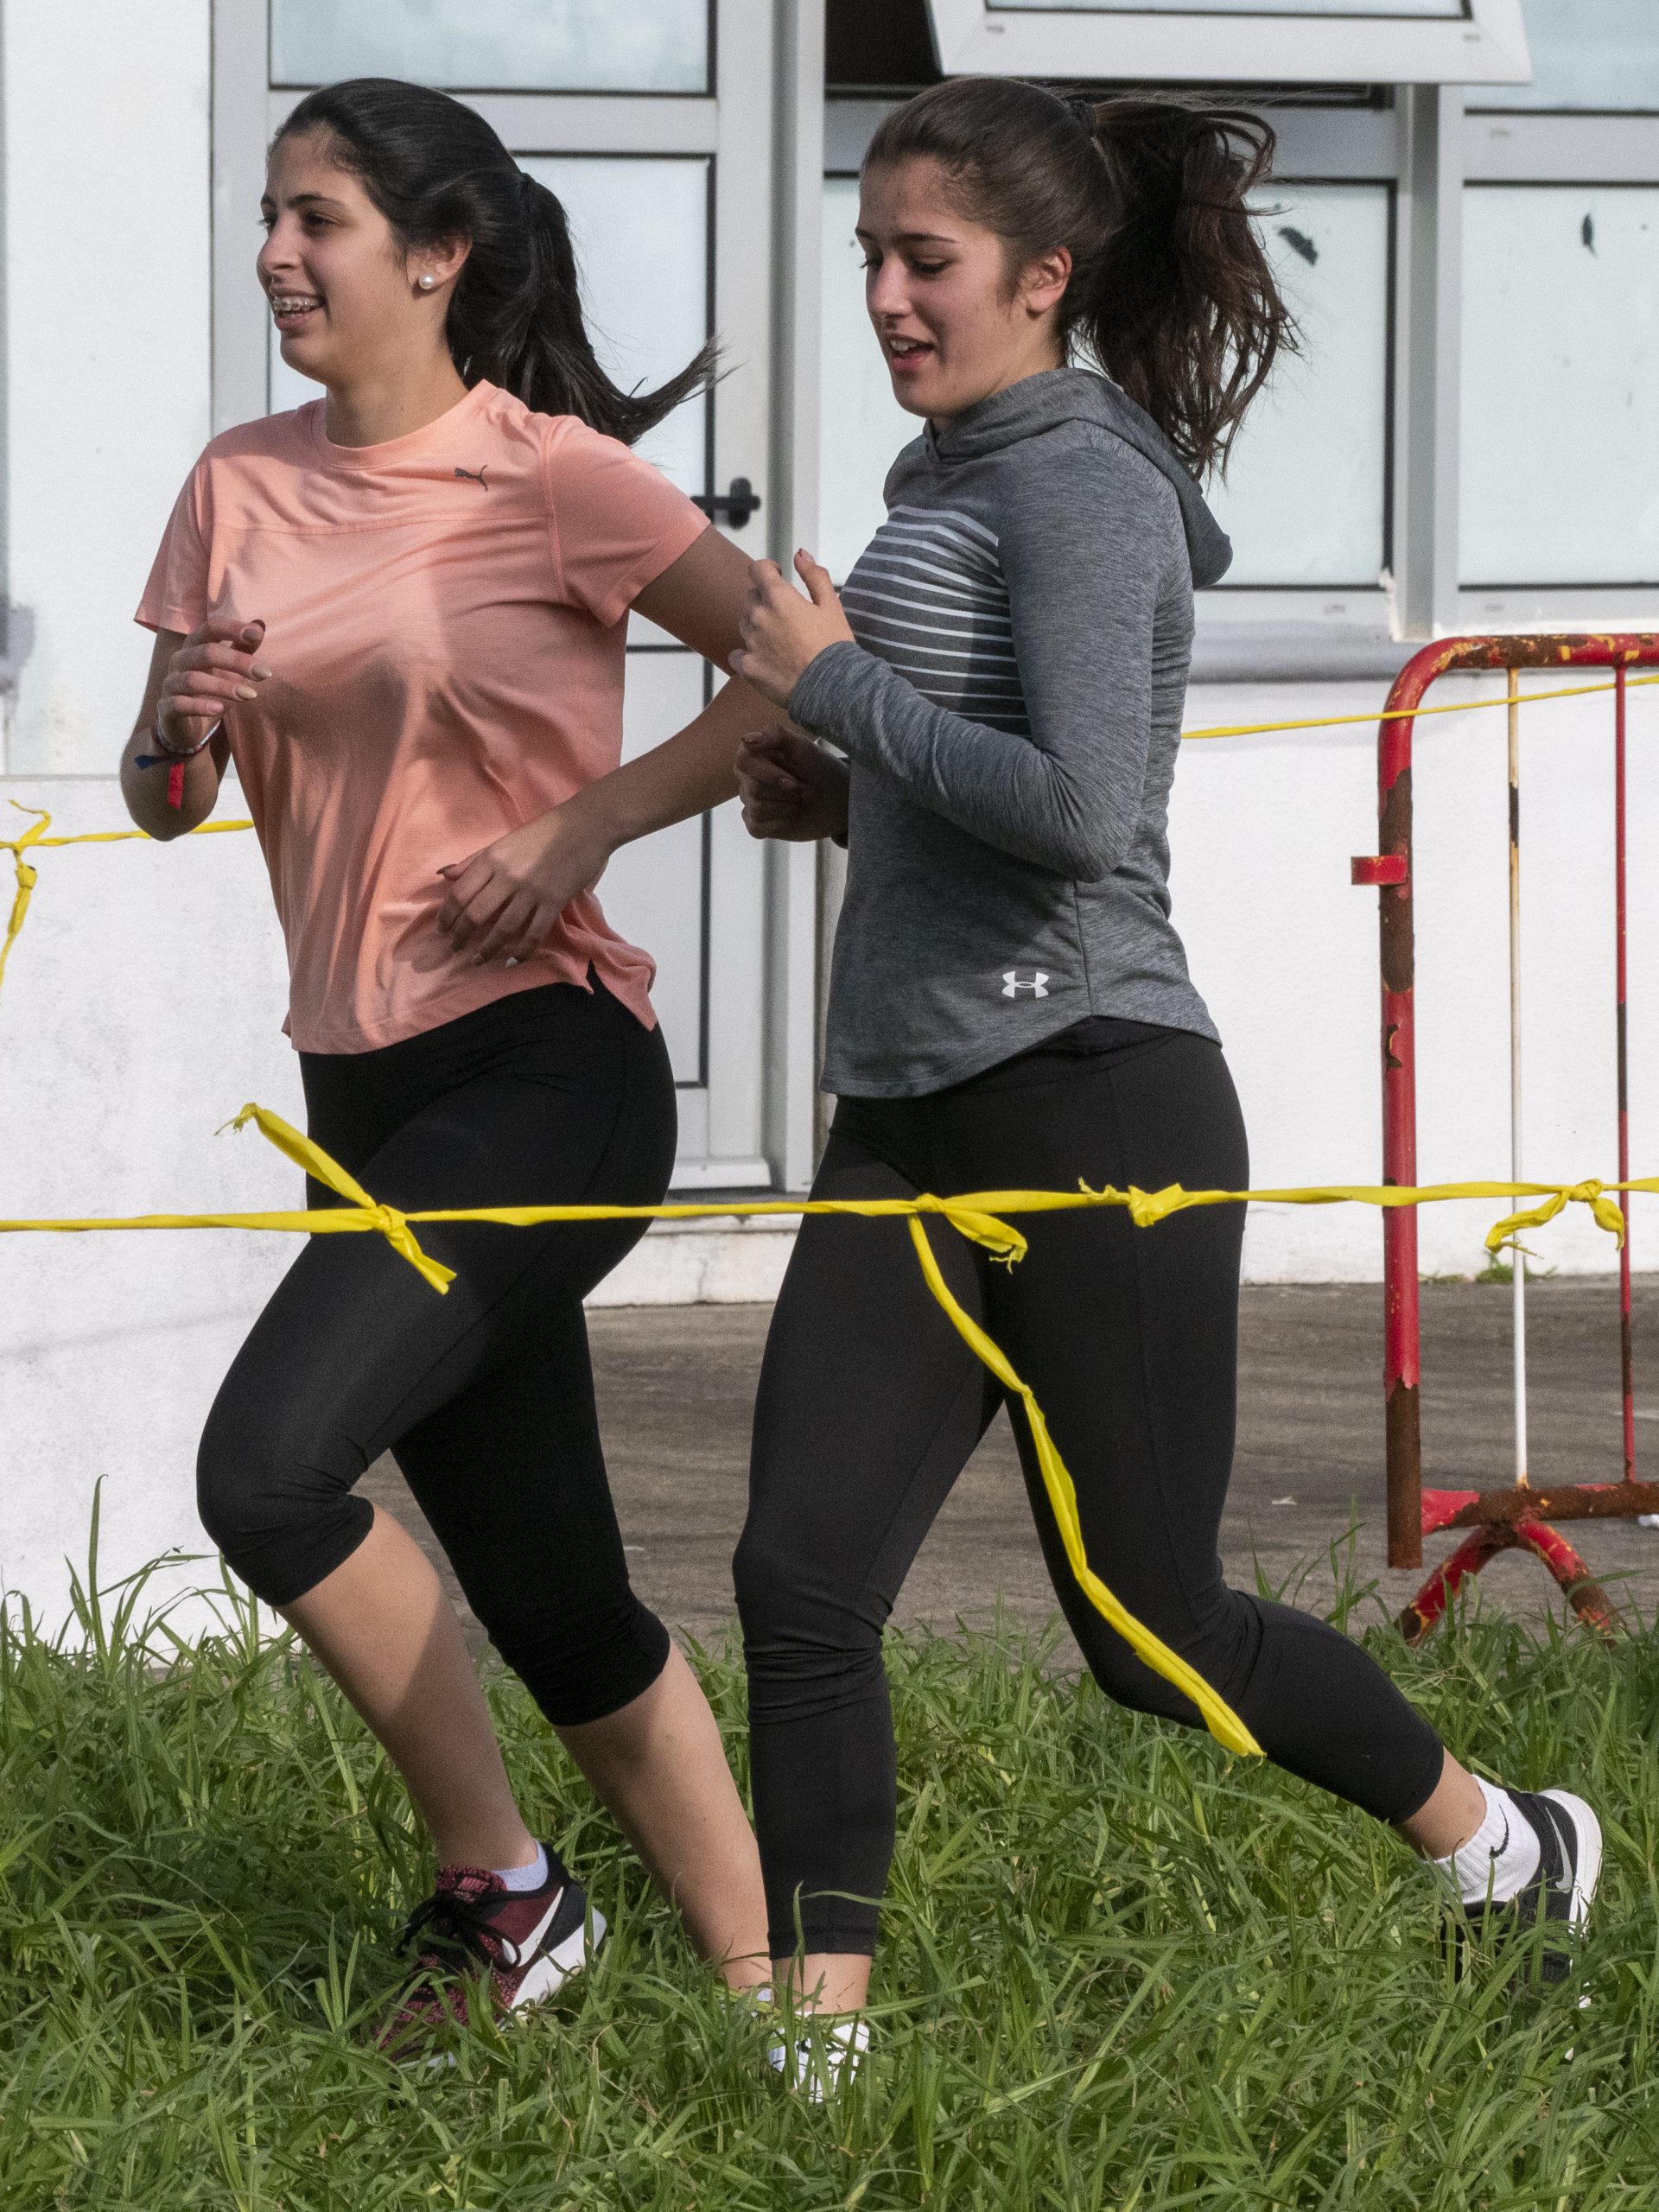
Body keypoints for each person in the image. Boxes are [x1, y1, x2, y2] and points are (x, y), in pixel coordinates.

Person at [729, 78, 1601, 2071]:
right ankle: (816, 2065)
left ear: (1045, 275)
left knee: (1147, 1628)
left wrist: (831, 682)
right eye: (871, 254)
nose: (886, 296)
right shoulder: (952, 467)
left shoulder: (1082, 487)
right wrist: (840, 792)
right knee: (797, 1573)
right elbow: (984, 784)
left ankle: (1507, 1841)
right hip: (913, 1109)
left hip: (1092, 1094)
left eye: (926, 261)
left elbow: (1085, 810)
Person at [121, 78, 771, 2048]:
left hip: (548, 1070)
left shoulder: (552, 475)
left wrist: (585, 825)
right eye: (268, 214)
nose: (273, 253)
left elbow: (797, 668)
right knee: (557, 1590)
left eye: (313, 218)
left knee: (265, 1473)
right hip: (367, 1088)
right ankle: (786, 2017)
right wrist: (176, 729)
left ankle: (507, 1894)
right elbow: (164, 798)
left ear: (435, 254)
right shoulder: (235, 482)